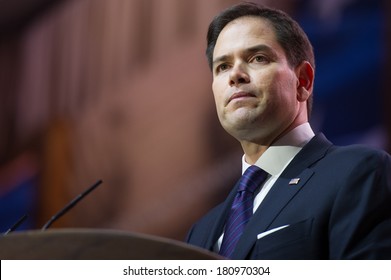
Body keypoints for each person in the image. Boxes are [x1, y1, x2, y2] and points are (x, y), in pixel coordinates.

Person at [186, 2, 391, 259]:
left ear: (303, 81)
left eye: (257, 58)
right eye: (222, 66)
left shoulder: (357, 172)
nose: (235, 75)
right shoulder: (200, 233)